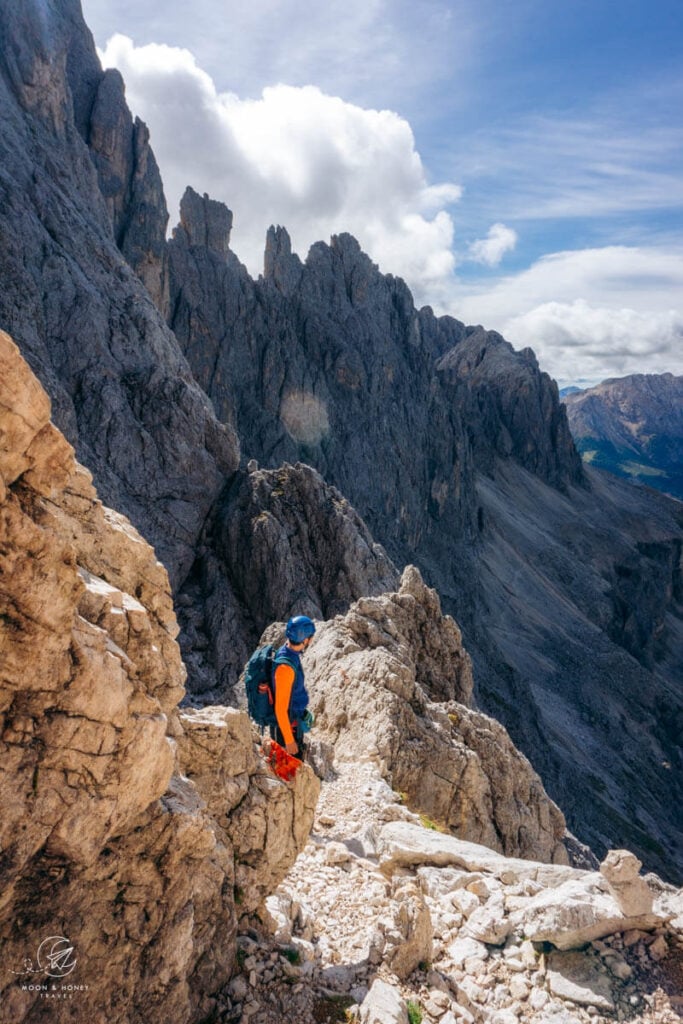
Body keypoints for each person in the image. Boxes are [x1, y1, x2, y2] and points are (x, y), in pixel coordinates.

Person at [271, 615, 316, 756]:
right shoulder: (285, 668)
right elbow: (280, 709)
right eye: (311, 637)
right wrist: (289, 741)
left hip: (292, 721)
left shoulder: (288, 651)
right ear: (305, 640)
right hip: (288, 729)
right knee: (289, 770)